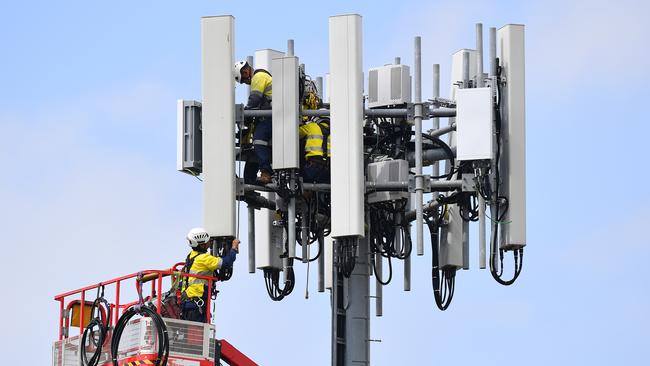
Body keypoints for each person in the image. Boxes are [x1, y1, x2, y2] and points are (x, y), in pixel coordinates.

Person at [180, 227, 239, 322]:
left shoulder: (191, 255)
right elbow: (226, 263)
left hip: (187, 302)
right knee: (198, 333)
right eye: (208, 241)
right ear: (202, 245)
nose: (210, 242)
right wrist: (233, 249)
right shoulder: (204, 258)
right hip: (196, 304)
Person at [235, 60, 273, 184]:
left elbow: (254, 99)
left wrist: (245, 113)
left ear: (245, 72)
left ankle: (266, 172)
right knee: (254, 146)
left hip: (274, 116)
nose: (246, 83)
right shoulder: (262, 77)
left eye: (244, 80)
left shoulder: (258, 77)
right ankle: (250, 181)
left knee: (258, 139)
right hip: (273, 115)